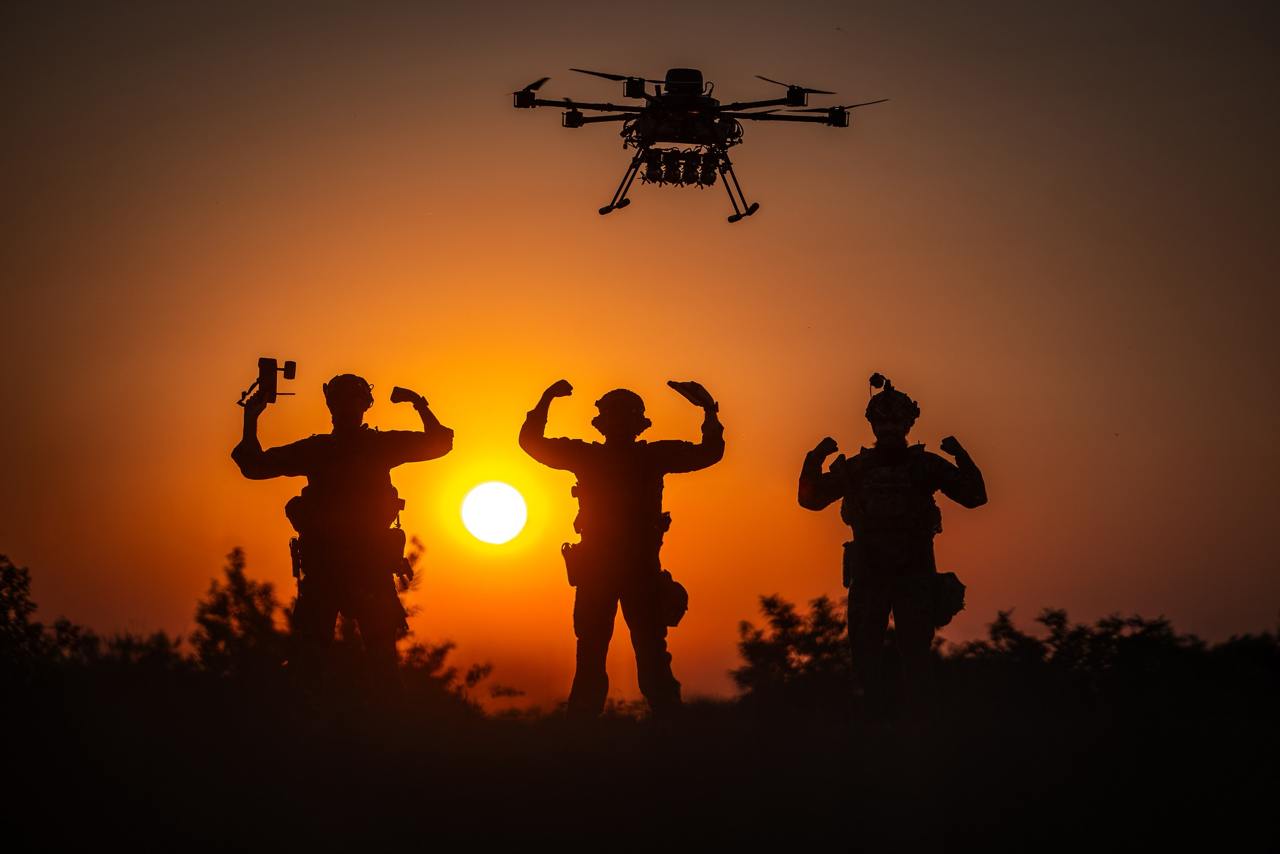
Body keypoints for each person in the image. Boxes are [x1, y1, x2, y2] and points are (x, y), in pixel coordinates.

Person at [232, 373, 453, 690]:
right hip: (334, 570)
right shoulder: (343, 448)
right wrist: (250, 417)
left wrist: (250, 418)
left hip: (360, 570)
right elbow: (254, 466)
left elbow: (440, 444)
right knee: (320, 666)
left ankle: (374, 725)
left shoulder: (351, 448)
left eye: (352, 398)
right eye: (342, 398)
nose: (347, 406)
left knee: (368, 668)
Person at [520, 379, 724, 719]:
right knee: (628, 654)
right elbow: (710, 452)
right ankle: (659, 726)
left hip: (625, 572)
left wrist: (545, 401)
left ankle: (620, 727)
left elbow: (531, 442)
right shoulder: (647, 456)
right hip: (619, 572)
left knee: (627, 654)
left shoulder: (598, 456)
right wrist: (709, 410)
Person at [798, 373, 986, 718]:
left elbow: (975, 497)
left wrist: (961, 454)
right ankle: (876, 733)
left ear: (908, 423)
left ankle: (914, 732)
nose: (887, 429)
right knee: (868, 663)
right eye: (882, 422)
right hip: (871, 577)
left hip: (911, 576)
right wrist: (816, 456)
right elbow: (810, 500)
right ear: (872, 424)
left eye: (894, 422)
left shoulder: (922, 465)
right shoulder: (858, 469)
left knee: (914, 662)